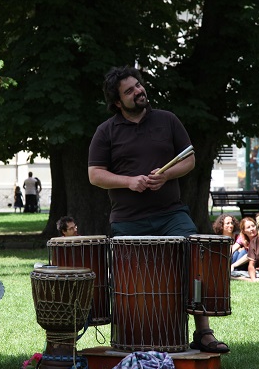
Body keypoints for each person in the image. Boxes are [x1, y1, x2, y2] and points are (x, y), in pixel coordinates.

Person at [88, 66, 229, 353]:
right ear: (117, 102)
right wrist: (129, 181)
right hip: (128, 220)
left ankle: (203, 332)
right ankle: (133, 334)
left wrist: (166, 175)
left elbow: (188, 159)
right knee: (133, 279)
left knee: (195, 259)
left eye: (138, 86)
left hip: (171, 214)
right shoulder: (106, 131)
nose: (138, 91)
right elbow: (95, 174)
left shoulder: (167, 120)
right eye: (129, 91)